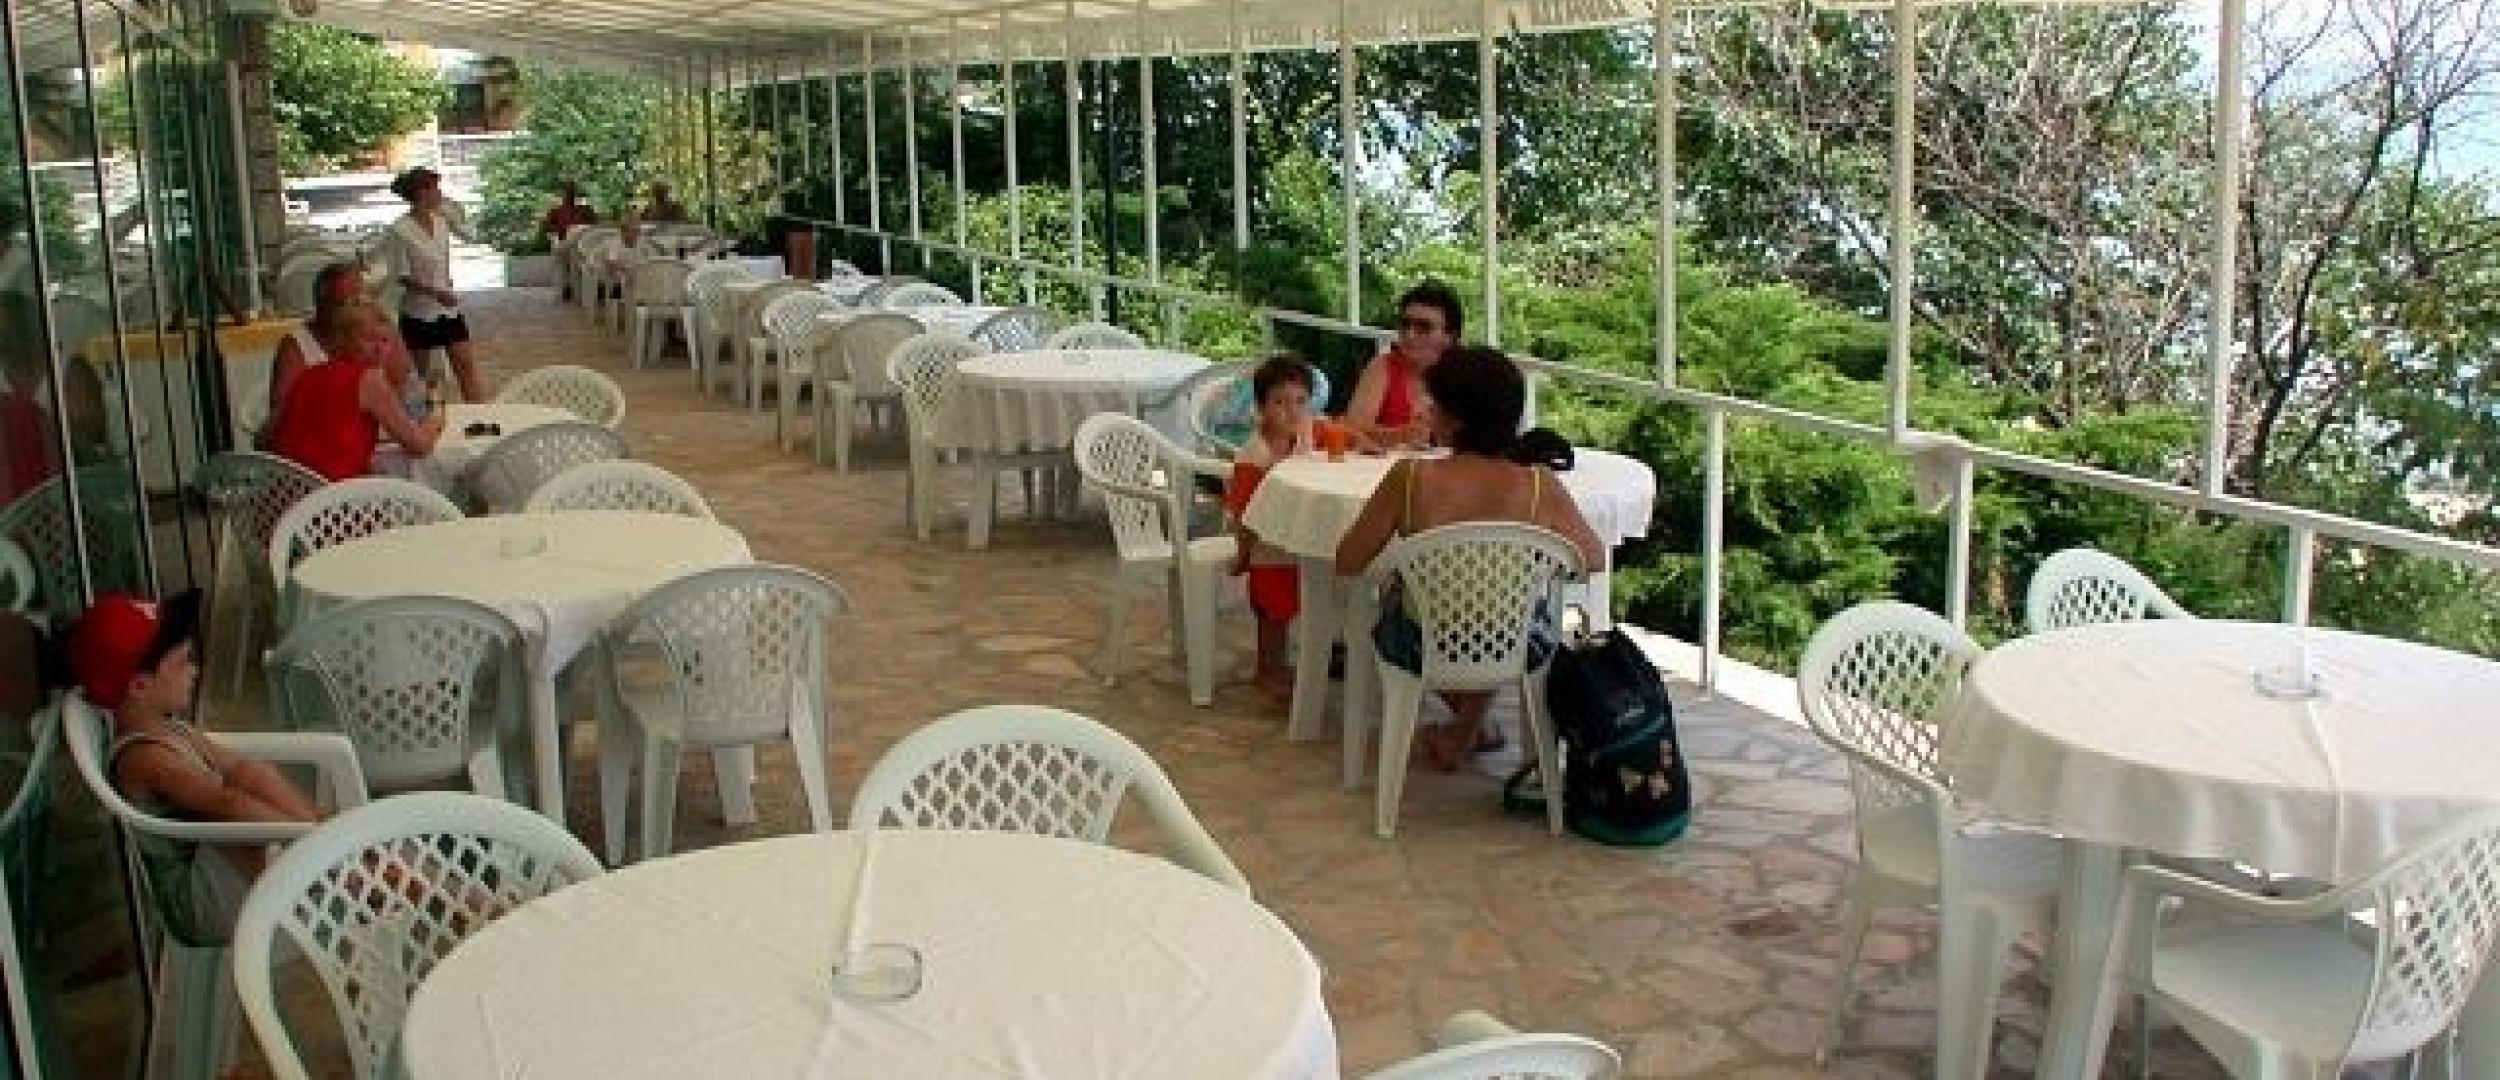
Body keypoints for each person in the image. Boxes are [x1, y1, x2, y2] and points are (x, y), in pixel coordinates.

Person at [1334, 347, 1603, 772]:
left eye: (1434, 404)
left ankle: (1461, 735)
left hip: (1425, 643)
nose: (1426, 411)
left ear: (1455, 419)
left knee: (1403, 602)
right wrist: (1531, 569)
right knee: (1502, 608)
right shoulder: (1540, 485)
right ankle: (1464, 734)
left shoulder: (1410, 478)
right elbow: (1593, 558)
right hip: (1513, 641)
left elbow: (1348, 561)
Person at [71, 591, 320, 943]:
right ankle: (330, 861)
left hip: (223, 869)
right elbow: (225, 803)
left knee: (251, 775)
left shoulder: (169, 725)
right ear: (139, 685)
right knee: (231, 812)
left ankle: (332, 845)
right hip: (197, 902)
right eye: (182, 662)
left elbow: (240, 768)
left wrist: (312, 827)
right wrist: (308, 839)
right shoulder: (145, 757)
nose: (195, 670)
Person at [264, 301, 444, 481]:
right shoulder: (369, 381)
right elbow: (419, 446)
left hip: (286, 486)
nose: (379, 349)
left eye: (385, 340)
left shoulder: (309, 374)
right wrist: (435, 421)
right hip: (331, 490)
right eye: (368, 339)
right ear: (342, 341)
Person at [1225, 356, 1318, 702]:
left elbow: (1342, 431)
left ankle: (1282, 666)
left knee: (1288, 606)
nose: (1292, 411)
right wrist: (1244, 554)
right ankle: (1267, 670)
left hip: (1294, 540)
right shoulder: (1255, 456)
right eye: (1280, 402)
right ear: (1262, 408)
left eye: (1300, 401)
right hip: (1265, 547)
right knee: (1270, 614)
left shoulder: (1303, 439)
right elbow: (1243, 513)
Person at [375, 167, 485, 403]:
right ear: (421, 192)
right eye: (435, 188)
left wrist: (446, 285)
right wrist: (435, 292)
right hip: (418, 313)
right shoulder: (399, 230)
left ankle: (482, 417)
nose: (440, 193)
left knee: (466, 367)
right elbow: (401, 275)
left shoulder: (441, 222)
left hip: (448, 310)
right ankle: (420, 421)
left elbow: (465, 240)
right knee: (420, 377)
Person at [1343, 281, 1463, 449]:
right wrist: (1401, 435)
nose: (1410, 334)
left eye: (1424, 327)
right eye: (1405, 324)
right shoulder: (1383, 366)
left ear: (1449, 336)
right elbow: (1350, 429)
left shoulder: (1465, 375)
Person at [267, 263, 380, 416]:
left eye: (360, 302)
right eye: (344, 304)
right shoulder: (296, 347)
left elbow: (404, 383)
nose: (353, 311)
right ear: (320, 305)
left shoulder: (378, 332)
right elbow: (281, 411)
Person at [538, 182, 597, 248]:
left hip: (583, 240)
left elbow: (593, 225)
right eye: (567, 194)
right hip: (564, 242)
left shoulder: (584, 210)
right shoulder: (555, 211)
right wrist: (559, 232)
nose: (569, 196)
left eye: (571, 193)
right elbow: (547, 227)